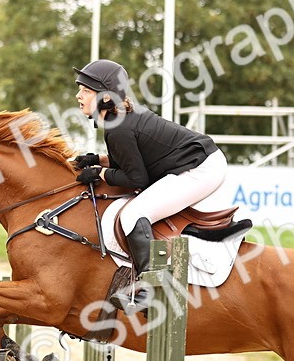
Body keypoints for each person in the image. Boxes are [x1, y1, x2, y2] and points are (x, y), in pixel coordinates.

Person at [70, 58, 227, 311]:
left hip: (201, 169)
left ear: (106, 98)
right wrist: (99, 159)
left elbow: (136, 180)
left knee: (133, 214)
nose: (78, 95)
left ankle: (149, 290)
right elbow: (134, 161)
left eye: (86, 91)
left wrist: (100, 173)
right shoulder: (119, 119)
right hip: (198, 162)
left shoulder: (117, 127)